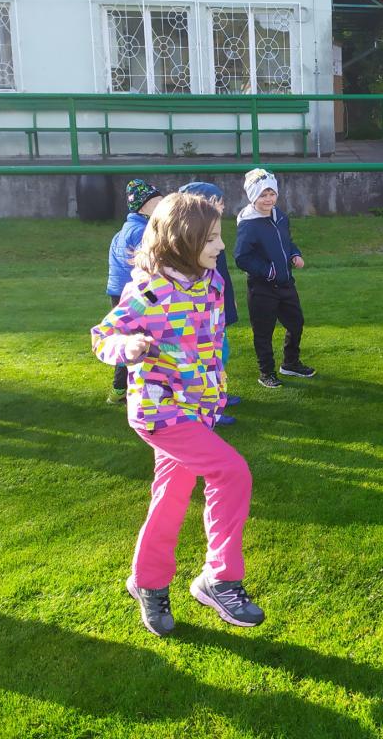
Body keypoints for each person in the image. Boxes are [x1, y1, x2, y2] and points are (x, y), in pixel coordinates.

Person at [91, 192, 263, 636]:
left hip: (200, 407)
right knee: (231, 472)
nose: (221, 246)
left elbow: (210, 342)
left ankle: (147, 583)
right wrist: (126, 346)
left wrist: (214, 388)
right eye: (211, 238)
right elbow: (102, 336)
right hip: (161, 412)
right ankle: (220, 578)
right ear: (182, 239)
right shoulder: (149, 291)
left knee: (170, 497)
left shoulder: (212, 282)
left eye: (220, 236)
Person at [233, 168, 314, 388]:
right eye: (263, 195)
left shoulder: (281, 217)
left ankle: (290, 363)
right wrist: (268, 271)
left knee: (296, 323)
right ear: (253, 196)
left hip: (286, 283)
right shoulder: (248, 224)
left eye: (272, 194)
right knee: (263, 332)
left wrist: (294, 254)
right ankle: (266, 372)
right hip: (262, 289)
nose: (268, 199)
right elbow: (241, 257)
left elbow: (287, 242)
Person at [179, 181, 241, 425]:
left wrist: (228, 299)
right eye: (218, 202)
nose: (223, 207)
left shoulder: (212, 235)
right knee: (206, 359)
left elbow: (220, 275)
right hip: (200, 314)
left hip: (216, 306)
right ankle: (209, 407)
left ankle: (218, 396)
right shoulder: (192, 242)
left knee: (220, 355)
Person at [105, 180, 162, 404]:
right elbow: (147, 267)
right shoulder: (142, 232)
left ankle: (119, 389)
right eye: (157, 201)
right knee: (139, 340)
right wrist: (155, 297)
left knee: (125, 337)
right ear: (144, 206)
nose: (161, 205)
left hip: (118, 292)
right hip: (134, 294)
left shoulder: (122, 232)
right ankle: (135, 389)